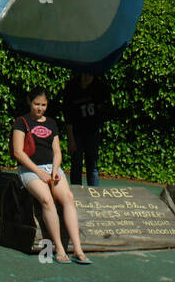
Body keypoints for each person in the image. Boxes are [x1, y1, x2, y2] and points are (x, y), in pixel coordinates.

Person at [11, 88, 90, 264]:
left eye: (43, 105)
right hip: (30, 169)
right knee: (47, 200)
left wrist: (55, 169)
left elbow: (57, 151)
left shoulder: (52, 123)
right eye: (36, 104)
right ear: (29, 102)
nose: (39, 108)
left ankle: (77, 249)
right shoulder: (21, 122)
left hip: (50, 168)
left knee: (68, 198)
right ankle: (59, 248)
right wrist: (38, 172)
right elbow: (18, 152)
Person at [63, 71, 110, 186]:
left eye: (89, 74)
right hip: (76, 132)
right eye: (84, 74)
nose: (86, 77)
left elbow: (105, 108)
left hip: (92, 131)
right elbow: (68, 116)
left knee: (92, 165)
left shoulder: (99, 87)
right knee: (76, 164)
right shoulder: (71, 87)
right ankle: (76, 194)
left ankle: (94, 195)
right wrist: (71, 139)